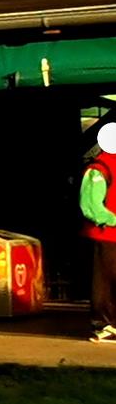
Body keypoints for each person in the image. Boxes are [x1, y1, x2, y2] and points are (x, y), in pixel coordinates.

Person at [84, 121, 116, 345]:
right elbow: (90, 205)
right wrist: (111, 219)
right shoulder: (99, 168)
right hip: (107, 235)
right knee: (107, 282)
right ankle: (104, 326)